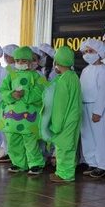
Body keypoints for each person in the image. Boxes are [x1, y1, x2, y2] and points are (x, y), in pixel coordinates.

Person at [0, 46, 48, 174]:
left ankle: (36, 163)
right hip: (11, 116)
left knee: (31, 142)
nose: (20, 63)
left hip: (29, 117)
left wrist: (25, 95)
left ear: (30, 61)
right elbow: (2, 90)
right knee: (13, 141)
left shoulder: (37, 76)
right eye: (18, 60)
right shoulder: (11, 75)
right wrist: (11, 95)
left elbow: (41, 92)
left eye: (23, 61)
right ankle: (18, 163)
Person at [40, 46, 82, 182]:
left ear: (57, 62)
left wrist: (56, 124)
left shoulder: (63, 80)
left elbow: (60, 105)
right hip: (73, 116)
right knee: (69, 145)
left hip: (64, 119)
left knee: (63, 146)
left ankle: (65, 174)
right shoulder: (73, 76)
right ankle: (64, 172)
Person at [79, 38, 105, 178]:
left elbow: (104, 91)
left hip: (96, 107)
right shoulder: (85, 70)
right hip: (84, 105)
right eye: (85, 52)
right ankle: (91, 161)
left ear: (99, 52)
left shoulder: (104, 70)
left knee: (100, 136)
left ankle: (103, 164)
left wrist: (98, 111)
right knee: (87, 136)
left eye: (90, 51)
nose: (87, 54)